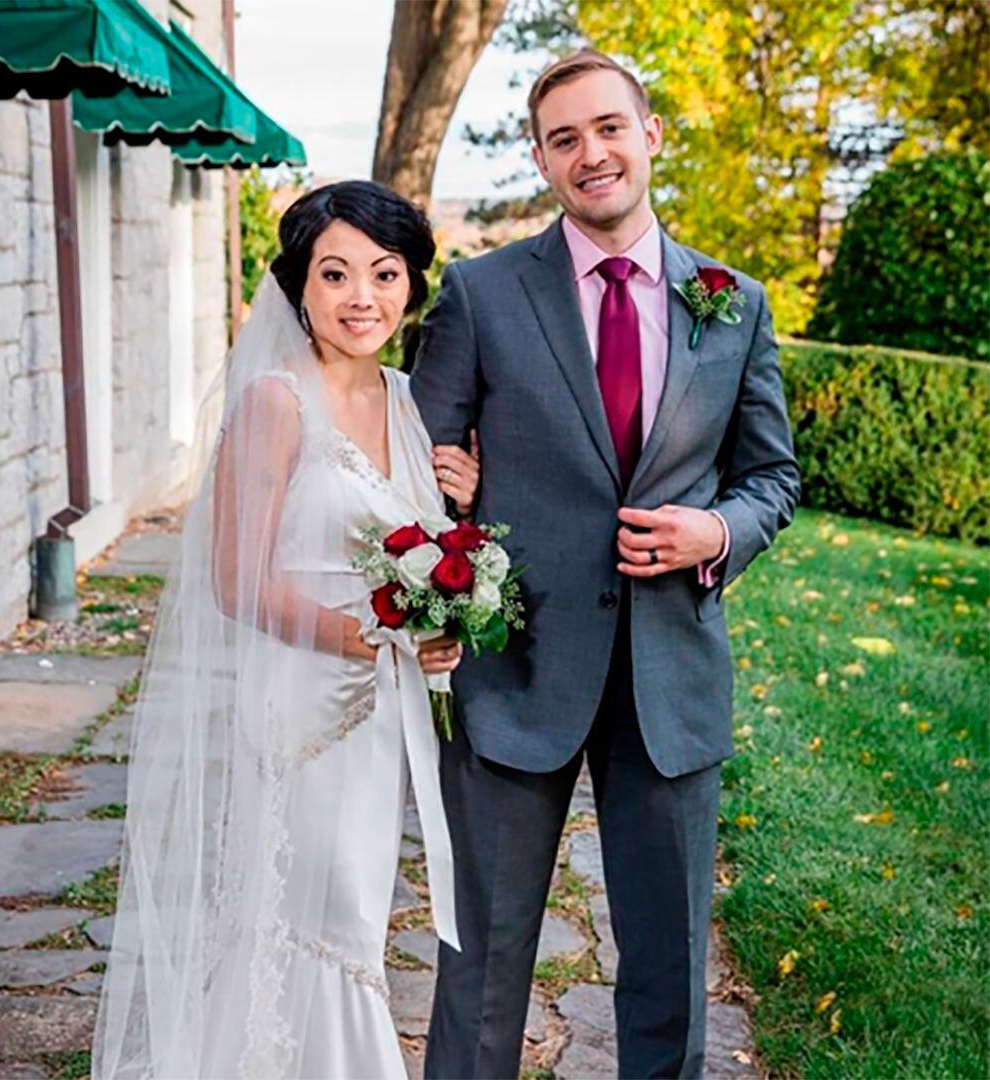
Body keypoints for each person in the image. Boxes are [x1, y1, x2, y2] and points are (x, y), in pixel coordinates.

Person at [412, 49, 800, 1079]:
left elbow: (773, 479)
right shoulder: (482, 293)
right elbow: (413, 476)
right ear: (541, 160)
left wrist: (715, 534)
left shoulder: (733, 300)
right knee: (481, 962)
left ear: (650, 134)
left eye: (609, 127)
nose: (592, 154)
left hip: (670, 682)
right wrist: (445, 505)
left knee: (669, 973)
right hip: (516, 675)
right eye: (565, 138)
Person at [92, 180, 480, 1080]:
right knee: (314, 911)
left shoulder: (405, 400)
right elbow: (235, 578)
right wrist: (365, 638)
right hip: (302, 705)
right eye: (334, 273)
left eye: (384, 275)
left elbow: (414, 554)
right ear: (297, 285)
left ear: (410, 286)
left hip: (379, 712)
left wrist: (433, 615)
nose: (361, 298)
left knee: (351, 918)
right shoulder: (275, 399)